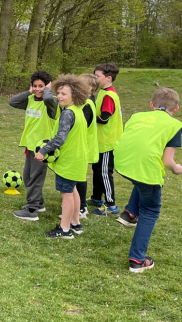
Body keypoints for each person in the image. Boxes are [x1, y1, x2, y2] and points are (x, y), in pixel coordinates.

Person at [113, 88, 182, 273]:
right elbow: (167, 161)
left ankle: (129, 213)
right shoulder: (173, 125)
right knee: (151, 210)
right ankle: (137, 260)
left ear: (151, 105)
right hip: (144, 169)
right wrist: (177, 169)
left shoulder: (137, 116)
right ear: (176, 109)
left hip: (122, 163)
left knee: (142, 179)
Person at [35, 75, 92, 239]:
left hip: (68, 161)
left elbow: (60, 138)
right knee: (73, 190)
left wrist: (44, 150)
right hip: (78, 159)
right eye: (58, 92)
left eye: (64, 94)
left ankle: (65, 229)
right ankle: (75, 223)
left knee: (66, 195)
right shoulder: (78, 111)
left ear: (74, 95)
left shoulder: (68, 114)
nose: (59, 96)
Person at [9, 70, 58, 221]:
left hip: (42, 149)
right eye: (35, 85)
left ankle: (31, 210)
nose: (37, 89)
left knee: (36, 177)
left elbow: (49, 98)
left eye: (41, 86)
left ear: (47, 87)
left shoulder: (51, 103)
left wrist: (48, 89)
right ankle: (39, 203)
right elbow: (13, 101)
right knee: (28, 176)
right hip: (30, 146)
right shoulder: (31, 99)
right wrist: (30, 91)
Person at [90, 63, 124, 215]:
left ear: (108, 78)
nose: (95, 79)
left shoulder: (109, 95)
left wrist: (87, 118)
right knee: (96, 170)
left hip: (108, 143)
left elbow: (104, 119)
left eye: (98, 76)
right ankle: (97, 198)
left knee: (104, 172)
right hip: (100, 141)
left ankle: (111, 206)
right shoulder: (103, 92)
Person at [74, 73, 100, 218]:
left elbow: (81, 126)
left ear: (89, 88)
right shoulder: (83, 102)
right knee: (76, 176)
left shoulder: (88, 104)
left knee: (80, 177)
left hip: (84, 147)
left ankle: (82, 207)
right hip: (80, 146)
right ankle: (76, 203)